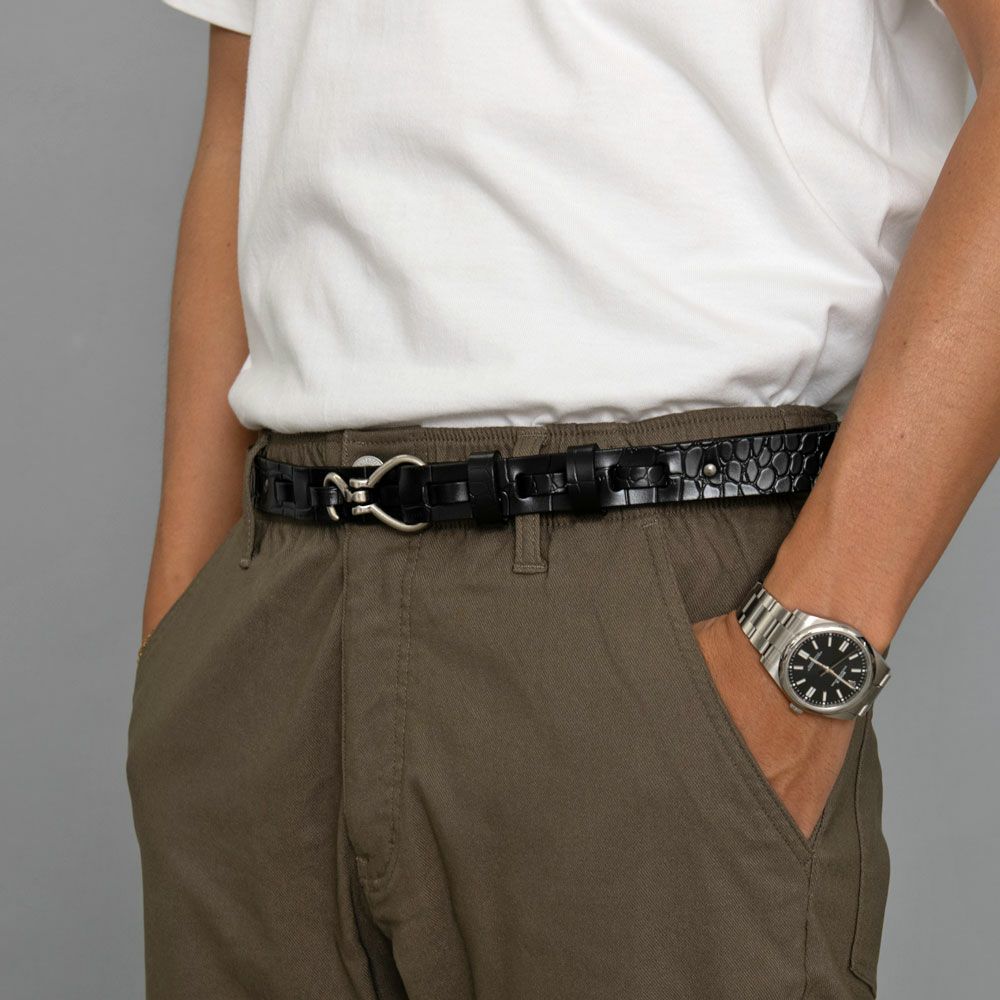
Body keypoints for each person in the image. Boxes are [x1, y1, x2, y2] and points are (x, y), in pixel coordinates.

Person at [127, 2, 999, 997]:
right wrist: (181, 646)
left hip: (649, 600)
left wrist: (807, 647)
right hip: (278, 617)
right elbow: (244, 114)